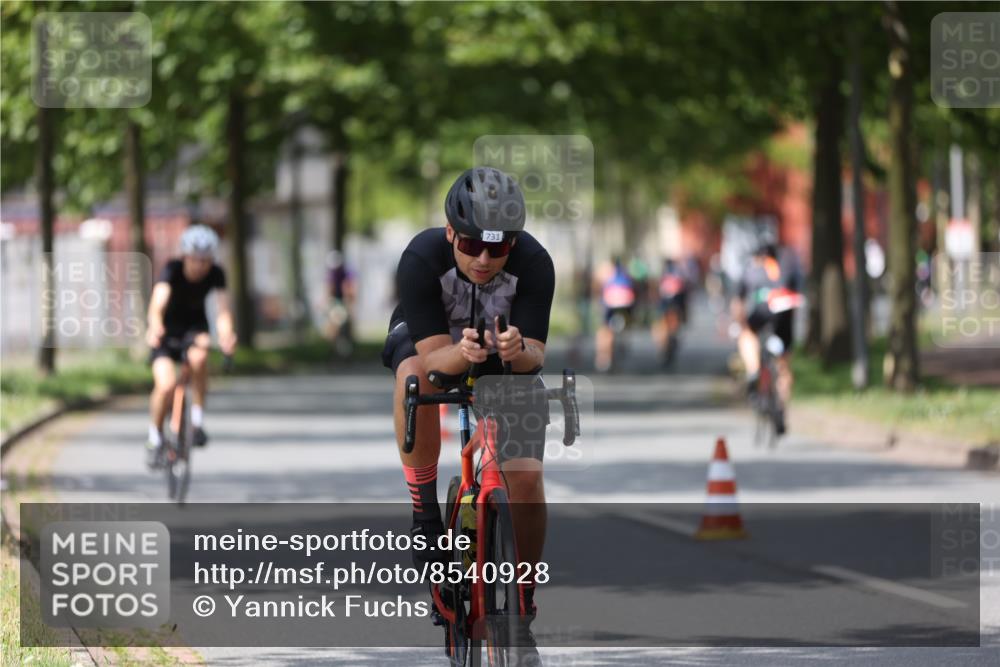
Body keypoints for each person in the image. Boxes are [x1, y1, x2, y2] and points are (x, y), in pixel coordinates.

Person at [381, 167, 554, 661]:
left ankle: (522, 604)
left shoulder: (536, 263)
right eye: (473, 244)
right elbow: (436, 362)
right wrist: (465, 354)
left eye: (498, 249)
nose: (483, 259)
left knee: (525, 479)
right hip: (434, 341)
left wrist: (517, 351)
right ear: (451, 232)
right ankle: (424, 508)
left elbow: (536, 356)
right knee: (414, 376)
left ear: (514, 244)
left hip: (501, 348)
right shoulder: (421, 257)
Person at [145, 225, 237, 468]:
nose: (200, 267)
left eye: (206, 261)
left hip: (195, 329)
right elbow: (157, 305)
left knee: (200, 359)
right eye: (196, 260)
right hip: (166, 332)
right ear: (185, 257)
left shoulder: (216, 273)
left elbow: (223, 311)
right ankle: (154, 436)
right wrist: (155, 326)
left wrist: (226, 336)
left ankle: (196, 421)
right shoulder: (171, 270)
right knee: (165, 385)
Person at [732, 241, 802, 435]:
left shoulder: (752, 270)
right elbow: (797, 295)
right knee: (783, 367)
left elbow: (738, 302)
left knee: (746, 334)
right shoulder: (787, 267)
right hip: (783, 320)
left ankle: (753, 370)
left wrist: (739, 321)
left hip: (761, 315)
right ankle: (781, 408)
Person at [593, 256, 636, 372]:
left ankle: (602, 357)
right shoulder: (626, 274)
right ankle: (624, 338)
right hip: (626, 303)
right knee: (627, 324)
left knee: (604, 329)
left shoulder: (605, 273)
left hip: (610, 302)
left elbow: (600, 292)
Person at [653, 258, 688, 368]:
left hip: (667, 308)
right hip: (675, 307)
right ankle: (669, 342)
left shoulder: (663, 278)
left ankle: (665, 346)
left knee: (661, 327)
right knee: (670, 327)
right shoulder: (678, 276)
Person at [323, 249, 357, 357]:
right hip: (336, 302)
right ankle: (334, 349)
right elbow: (329, 289)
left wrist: (349, 302)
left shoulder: (347, 273)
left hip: (344, 301)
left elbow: (349, 289)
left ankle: (347, 349)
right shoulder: (331, 274)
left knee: (346, 326)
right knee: (333, 327)